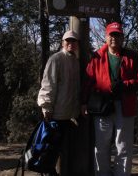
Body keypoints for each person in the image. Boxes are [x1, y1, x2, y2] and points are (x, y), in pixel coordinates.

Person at [81, 22, 138, 176]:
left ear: (122, 37)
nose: (114, 38)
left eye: (117, 35)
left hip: (125, 105)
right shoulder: (97, 57)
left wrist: (124, 85)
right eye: (111, 35)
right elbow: (88, 81)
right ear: (106, 36)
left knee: (123, 146)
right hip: (102, 106)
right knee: (101, 146)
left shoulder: (132, 56)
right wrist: (83, 102)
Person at [37, 30, 81, 176]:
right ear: (62, 43)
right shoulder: (56, 59)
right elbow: (48, 84)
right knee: (51, 151)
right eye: (68, 41)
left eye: (74, 41)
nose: (71, 43)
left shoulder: (75, 61)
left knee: (61, 150)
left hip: (69, 115)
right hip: (56, 114)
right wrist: (46, 106)